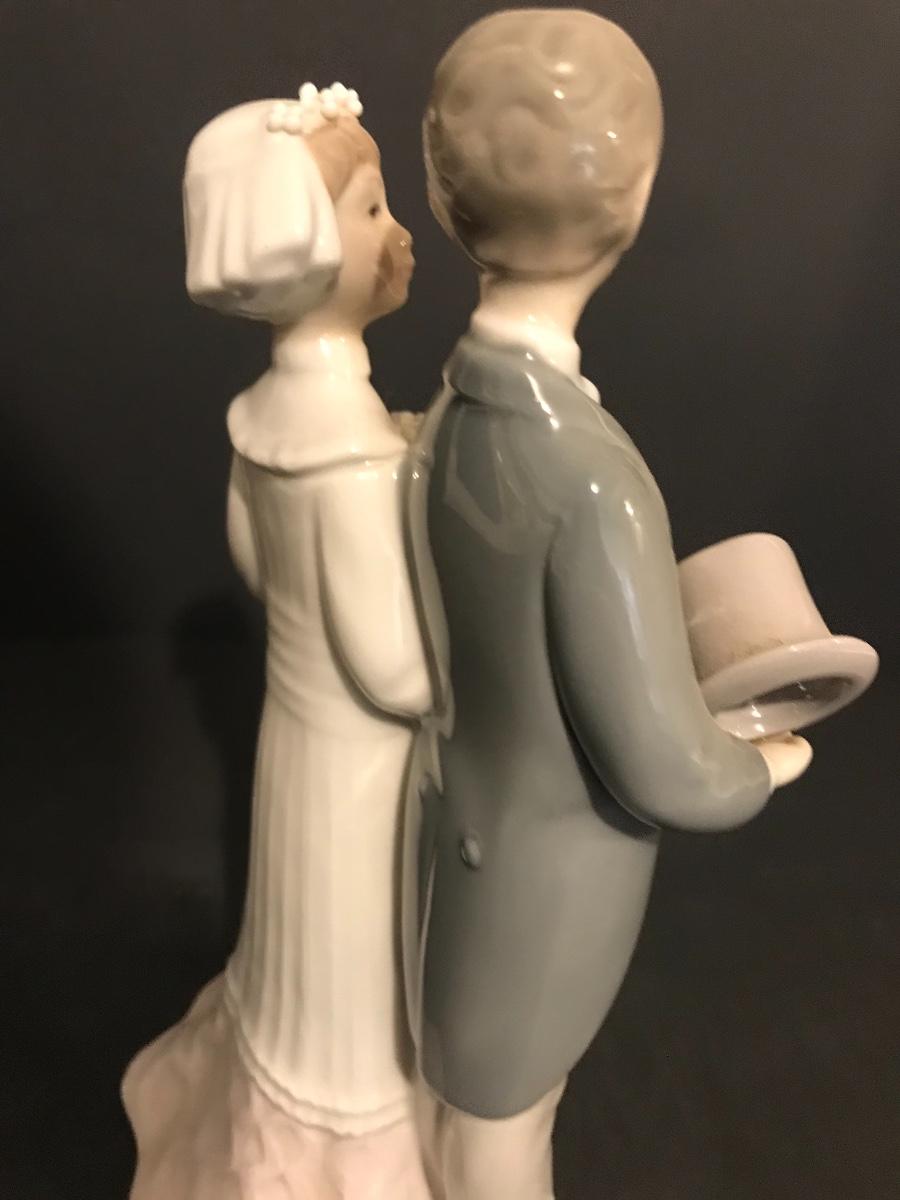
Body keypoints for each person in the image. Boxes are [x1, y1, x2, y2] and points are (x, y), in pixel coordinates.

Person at [404, 13, 813, 1199]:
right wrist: (759, 763)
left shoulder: (450, 414)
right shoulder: (593, 480)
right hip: (552, 875)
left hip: (457, 828)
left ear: (442, 197)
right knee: (507, 1128)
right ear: (630, 205)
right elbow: (660, 762)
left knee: (468, 1104)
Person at [122, 84, 432, 1199]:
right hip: (362, 773)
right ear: (303, 248)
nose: (399, 234)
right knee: (347, 963)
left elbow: (255, 566)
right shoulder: (355, 461)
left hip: (290, 744)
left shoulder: (261, 422)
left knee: (288, 950)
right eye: (372, 208)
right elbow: (398, 673)